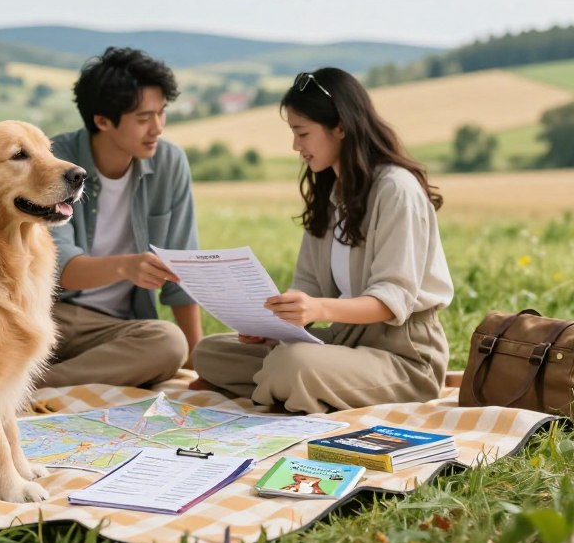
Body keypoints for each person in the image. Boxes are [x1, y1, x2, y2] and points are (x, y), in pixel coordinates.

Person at [191, 67, 453, 414]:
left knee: (294, 362)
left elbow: (392, 301)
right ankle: (285, 383)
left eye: (302, 133)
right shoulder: (332, 193)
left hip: (403, 356)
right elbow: (309, 285)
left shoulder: (396, 190)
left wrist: (318, 309)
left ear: (340, 128)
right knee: (210, 352)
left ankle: (280, 382)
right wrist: (273, 326)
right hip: (344, 343)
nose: (296, 146)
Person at [38, 47, 202, 388]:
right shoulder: (53, 162)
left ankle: (35, 385)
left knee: (169, 343)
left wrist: (199, 366)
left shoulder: (170, 163)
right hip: (46, 315)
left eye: (162, 113)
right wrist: (127, 266)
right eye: (143, 118)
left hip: (114, 330)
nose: (157, 128)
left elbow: (181, 274)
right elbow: (58, 269)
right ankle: (25, 380)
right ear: (102, 121)